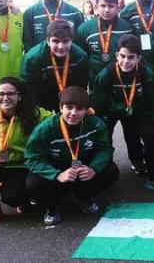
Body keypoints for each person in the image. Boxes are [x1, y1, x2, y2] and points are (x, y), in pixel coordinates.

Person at [25, 86, 119, 225]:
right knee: (33, 184)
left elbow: (105, 150)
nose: (73, 113)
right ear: (60, 107)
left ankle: (83, 196)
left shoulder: (96, 124)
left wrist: (93, 168)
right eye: (69, 107)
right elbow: (32, 158)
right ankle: (53, 206)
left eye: (79, 109)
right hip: (56, 167)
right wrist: (56, 174)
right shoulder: (45, 128)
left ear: (87, 110)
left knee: (111, 171)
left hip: (82, 166)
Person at [92, 35, 154, 193]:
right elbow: (97, 106)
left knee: (150, 137)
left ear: (139, 58)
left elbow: (153, 105)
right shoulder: (105, 75)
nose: (126, 61)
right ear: (116, 56)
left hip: (138, 109)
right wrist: (99, 128)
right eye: (122, 56)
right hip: (111, 111)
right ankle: (103, 176)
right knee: (103, 139)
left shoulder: (147, 74)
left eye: (131, 57)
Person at [0, 77, 53, 228]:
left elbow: (55, 121)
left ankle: (24, 199)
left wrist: (77, 113)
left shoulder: (34, 113)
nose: (5, 98)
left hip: (22, 165)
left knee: (12, 198)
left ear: (19, 96)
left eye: (10, 94)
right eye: (1, 94)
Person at [20, 19, 89, 112]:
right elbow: (27, 89)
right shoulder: (32, 58)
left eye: (65, 41)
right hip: (40, 97)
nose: (61, 46)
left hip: (69, 98)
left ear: (72, 40)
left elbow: (81, 87)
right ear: (48, 41)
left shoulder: (80, 57)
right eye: (55, 41)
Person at [75, 0, 133, 84]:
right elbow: (81, 57)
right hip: (96, 81)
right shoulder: (84, 29)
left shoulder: (127, 28)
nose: (106, 10)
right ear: (96, 7)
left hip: (121, 82)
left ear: (117, 8)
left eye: (111, 6)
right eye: (103, 6)